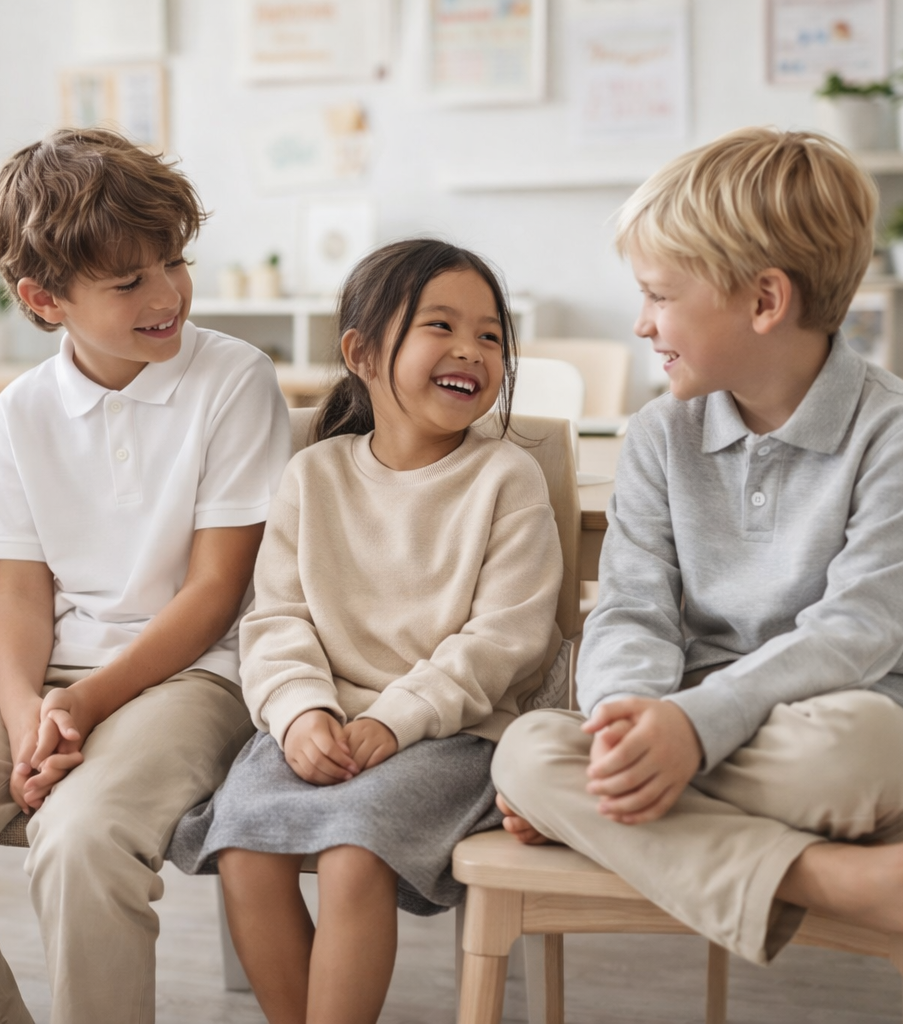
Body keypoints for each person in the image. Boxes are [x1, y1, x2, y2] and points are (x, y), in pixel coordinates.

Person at [0, 127, 290, 1024]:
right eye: (130, 282)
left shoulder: (234, 379)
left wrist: (78, 709)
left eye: (172, 262)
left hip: (196, 673)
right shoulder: (22, 411)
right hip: (47, 678)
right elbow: (19, 593)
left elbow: (212, 595)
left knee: (81, 839)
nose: (168, 295)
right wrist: (22, 720)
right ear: (44, 299)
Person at [494, 126, 903, 965]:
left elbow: (855, 634)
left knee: (848, 756)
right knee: (528, 751)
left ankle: (602, 802)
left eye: (658, 296)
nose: (641, 324)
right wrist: (622, 716)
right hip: (690, 716)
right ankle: (809, 875)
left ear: (764, 302)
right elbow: (632, 611)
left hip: (866, 719)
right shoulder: (658, 435)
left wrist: (684, 730)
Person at [169, 238, 566, 1024]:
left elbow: (505, 640)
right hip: (318, 724)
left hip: (454, 731)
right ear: (362, 352)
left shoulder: (506, 477)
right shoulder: (312, 475)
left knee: (355, 857)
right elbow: (276, 619)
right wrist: (298, 712)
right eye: (441, 326)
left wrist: (395, 718)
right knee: (245, 850)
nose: (471, 350)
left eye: (491, 335)